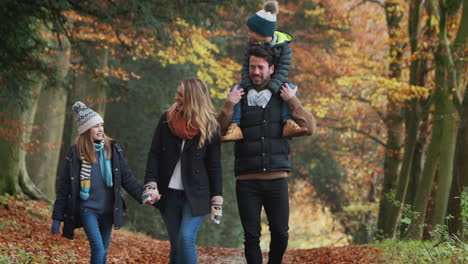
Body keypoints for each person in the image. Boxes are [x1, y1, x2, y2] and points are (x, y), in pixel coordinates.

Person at [218, 45, 316, 264]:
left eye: (261, 67)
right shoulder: (238, 96)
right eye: (252, 67)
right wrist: (228, 105)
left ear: (271, 69)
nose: (256, 72)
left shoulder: (283, 96)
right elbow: (217, 132)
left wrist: (293, 100)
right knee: (251, 237)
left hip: (277, 179)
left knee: (281, 234)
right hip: (246, 181)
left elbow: (310, 127)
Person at [50, 101, 143, 264]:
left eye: (102, 125)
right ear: (86, 130)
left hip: (108, 210)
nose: (101, 129)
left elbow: (127, 178)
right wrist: (57, 219)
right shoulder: (75, 154)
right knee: (98, 248)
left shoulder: (112, 149)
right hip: (88, 210)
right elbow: (64, 188)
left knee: (104, 250)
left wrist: (143, 196)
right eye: (95, 126)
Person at [143, 78, 223, 264]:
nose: (176, 97)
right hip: (168, 192)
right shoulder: (167, 119)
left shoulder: (211, 126)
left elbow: (214, 165)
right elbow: (154, 153)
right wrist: (151, 182)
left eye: (181, 94)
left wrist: (217, 197)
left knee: (186, 239)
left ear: (192, 98)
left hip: (196, 194)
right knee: (176, 245)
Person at [221, 0, 308, 142]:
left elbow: (282, 71)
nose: (249, 34)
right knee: (235, 89)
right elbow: (245, 68)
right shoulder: (251, 45)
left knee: (290, 88)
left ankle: (288, 122)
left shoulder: (283, 48)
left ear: (262, 32)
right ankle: (234, 125)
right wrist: (249, 89)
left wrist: (270, 90)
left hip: (277, 81)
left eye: (252, 31)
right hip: (253, 84)